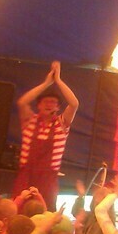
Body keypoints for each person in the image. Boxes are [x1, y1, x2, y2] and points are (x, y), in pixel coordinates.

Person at [12, 61, 79, 209]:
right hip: (26, 176)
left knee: (46, 213)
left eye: (53, 102)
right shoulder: (30, 121)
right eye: (46, 102)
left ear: (58, 107)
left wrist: (58, 80)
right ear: (38, 105)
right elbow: (22, 102)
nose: (49, 104)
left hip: (48, 180)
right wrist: (46, 83)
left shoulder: (61, 123)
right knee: (18, 211)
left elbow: (74, 104)